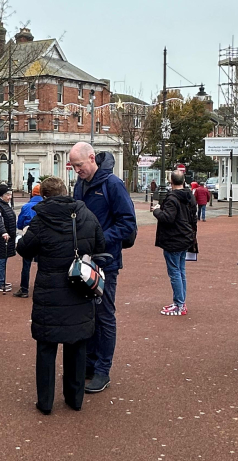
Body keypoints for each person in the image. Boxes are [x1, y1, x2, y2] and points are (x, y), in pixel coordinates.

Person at [16, 177, 105, 415]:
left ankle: (45, 402)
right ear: (66, 192)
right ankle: (74, 399)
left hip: (50, 291)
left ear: (44, 196)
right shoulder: (86, 214)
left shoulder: (41, 219)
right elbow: (100, 243)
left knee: (46, 347)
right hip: (79, 288)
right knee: (76, 345)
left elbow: (24, 249)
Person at [69, 142, 137, 394]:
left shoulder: (113, 184)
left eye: (79, 165)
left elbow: (127, 223)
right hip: (84, 261)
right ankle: (89, 363)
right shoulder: (80, 185)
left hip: (106, 261)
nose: (76, 170)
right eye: (73, 167)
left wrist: (98, 239)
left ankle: (102, 370)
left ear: (91, 158)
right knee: (87, 314)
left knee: (104, 315)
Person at [152, 170, 197, 316]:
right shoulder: (189, 196)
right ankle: (181, 302)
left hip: (174, 238)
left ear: (171, 181)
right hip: (185, 237)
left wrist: (157, 211)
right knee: (180, 270)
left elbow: (168, 218)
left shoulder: (172, 198)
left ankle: (179, 303)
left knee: (175, 272)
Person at [14, 183, 42, 298]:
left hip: (28, 233)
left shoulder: (26, 206)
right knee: (43, 264)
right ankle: (41, 289)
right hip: (43, 235)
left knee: (26, 263)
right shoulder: (45, 205)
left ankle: (24, 289)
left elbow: (19, 224)